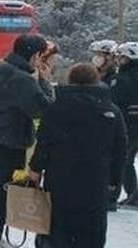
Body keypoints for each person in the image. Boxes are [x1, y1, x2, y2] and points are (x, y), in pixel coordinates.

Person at [29, 63, 127, 248]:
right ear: (96, 82)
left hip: (59, 180)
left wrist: (35, 169)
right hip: (95, 182)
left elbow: (43, 143)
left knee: (57, 228)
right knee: (92, 232)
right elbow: (120, 148)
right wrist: (115, 179)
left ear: (70, 80)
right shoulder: (111, 111)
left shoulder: (56, 109)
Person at [0, 34, 55, 248]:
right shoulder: (21, 79)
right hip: (13, 141)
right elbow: (44, 110)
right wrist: (46, 83)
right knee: (5, 192)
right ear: (35, 55)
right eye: (41, 57)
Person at [112, 42, 138, 208]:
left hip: (130, 126)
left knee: (125, 161)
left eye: (122, 57)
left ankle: (133, 195)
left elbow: (119, 101)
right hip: (132, 124)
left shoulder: (124, 78)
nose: (119, 60)